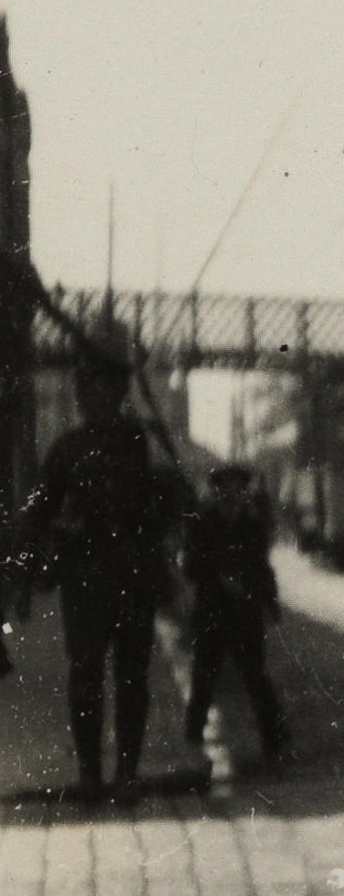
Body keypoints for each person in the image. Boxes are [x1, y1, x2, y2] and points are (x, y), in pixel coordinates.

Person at [18, 325, 180, 804]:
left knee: (132, 679)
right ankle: (91, 775)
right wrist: (25, 578)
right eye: (84, 388)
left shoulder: (141, 444)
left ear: (118, 392)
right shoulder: (65, 450)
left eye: (100, 387)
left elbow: (164, 506)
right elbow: (35, 514)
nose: (89, 397)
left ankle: (126, 773)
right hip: (85, 584)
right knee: (85, 678)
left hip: (132, 580)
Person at [182, 462, 290, 768]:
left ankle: (275, 740)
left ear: (244, 491)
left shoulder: (252, 525)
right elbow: (190, 566)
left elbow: (262, 567)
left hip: (245, 611)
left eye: (238, 487)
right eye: (225, 487)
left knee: (255, 676)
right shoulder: (203, 523)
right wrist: (217, 576)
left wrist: (269, 602)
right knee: (204, 676)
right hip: (212, 610)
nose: (232, 493)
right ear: (216, 491)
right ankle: (192, 738)